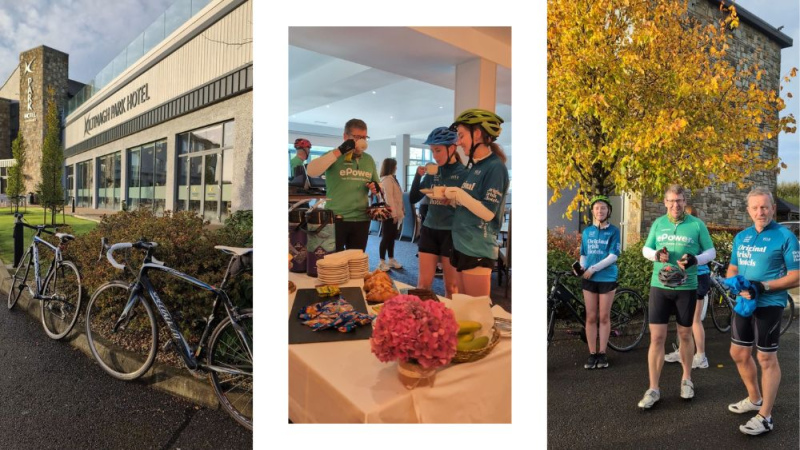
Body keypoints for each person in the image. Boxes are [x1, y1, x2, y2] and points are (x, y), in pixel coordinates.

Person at [725, 187, 799, 436]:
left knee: (766, 358)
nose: (760, 212)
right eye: (755, 208)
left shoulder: (785, 236)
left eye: (765, 207)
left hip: (770, 303)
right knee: (738, 353)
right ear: (748, 210)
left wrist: (763, 285)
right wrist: (737, 286)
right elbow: (732, 269)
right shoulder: (742, 237)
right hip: (745, 302)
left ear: (773, 208)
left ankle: (765, 415)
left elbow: (796, 276)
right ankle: (755, 398)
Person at [638, 184, 716, 409]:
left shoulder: (696, 224)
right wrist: (656, 255)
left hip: (686, 287)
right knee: (657, 338)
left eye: (679, 200)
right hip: (659, 287)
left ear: (685, 201)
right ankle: (653, 389)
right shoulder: (658, 223)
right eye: (671, 201)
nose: (675, 205)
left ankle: (686, 380)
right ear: (665, 203)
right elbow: (646, 248)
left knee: (684, 334)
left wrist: (695, 260)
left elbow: (711, 252)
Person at [443, 109, 510, 297]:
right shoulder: (475, 166)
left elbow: (489, 212)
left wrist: (458, 193)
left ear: (478, 134)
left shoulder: (495, 167)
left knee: (477, 314)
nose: (458, 142)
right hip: (462, 244)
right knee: (463, 310)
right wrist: (454, 201)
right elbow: (472, 204)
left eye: (462, 135)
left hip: (478, 248)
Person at [409, 127, 468, 297]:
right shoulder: (433, 171)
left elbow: (471, 206)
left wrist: (454, 200)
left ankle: (452, 323)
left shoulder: (464, 173)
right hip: (429, 230)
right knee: (422, 285)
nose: (435, 155)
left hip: (451, 233)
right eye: (432, 151)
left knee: (451, 287)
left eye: (438, 150)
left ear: (452, 148)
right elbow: (413, 198)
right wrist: (418, 176)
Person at [307, 119, 379, 251]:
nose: (361, 141)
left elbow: (378, 186)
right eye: (357, 137)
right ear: (346, 137)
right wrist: (340, 151)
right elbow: (311, 171)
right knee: (334, 262)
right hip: (336, 219)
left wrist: (376, 188)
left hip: (361, 219)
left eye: (364, 137)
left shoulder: (368, 159)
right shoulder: (333, 156)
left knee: (356, 263)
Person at [574, 195, 620, 370]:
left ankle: (603, 352)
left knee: (604, 316)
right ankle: (592, 354)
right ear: (592, 211)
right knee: (591, 316)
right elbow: (584, 253)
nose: (600, 211)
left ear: (608, 211)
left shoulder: (614, 231)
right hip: (590, 279)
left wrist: (593, 269)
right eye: (597, 208)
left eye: (603, 208)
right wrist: (583, 268)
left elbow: (613, 256)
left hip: (607, 277)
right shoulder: (587, 232)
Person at [664, 205, 711, 369]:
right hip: (684, 278)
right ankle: (683, 351)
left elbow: (707, 253)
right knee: (682, 319)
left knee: (694, 320)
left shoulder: (697, 231)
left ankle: (701, 356)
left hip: (698, 277)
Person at [378, 158, 404, 271]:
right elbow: (389, 198)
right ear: (391, 167)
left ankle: (391, 259)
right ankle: (382, 261)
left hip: (395, 212)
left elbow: (397, 197)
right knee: (386, 237)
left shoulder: (392, 179)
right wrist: (393, 214)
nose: (396, 168)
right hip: (389, 213)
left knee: (392, 237)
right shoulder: (387, 180)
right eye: (395, 165)